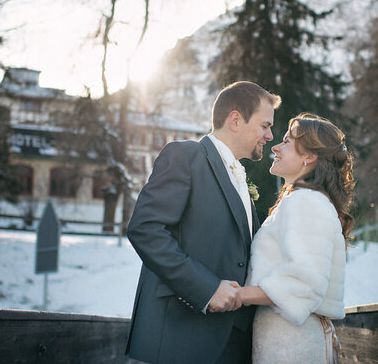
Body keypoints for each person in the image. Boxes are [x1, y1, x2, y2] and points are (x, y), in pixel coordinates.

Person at [125, 81, 281, 364]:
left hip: (233, 342)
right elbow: (145, 229)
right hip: (181, 339)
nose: (270, 135)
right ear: (236, 120)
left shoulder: (240, 178)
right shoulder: (185, 156)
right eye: (264, 125)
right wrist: (206, 288)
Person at [236, 113, 355, 364]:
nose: (275, 147)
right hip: (286, 338)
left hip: (292, 344)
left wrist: (238, 295)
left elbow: (302, 283)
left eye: (287, 142)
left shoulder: (307, 202)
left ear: (309, 157)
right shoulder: (302, 200)